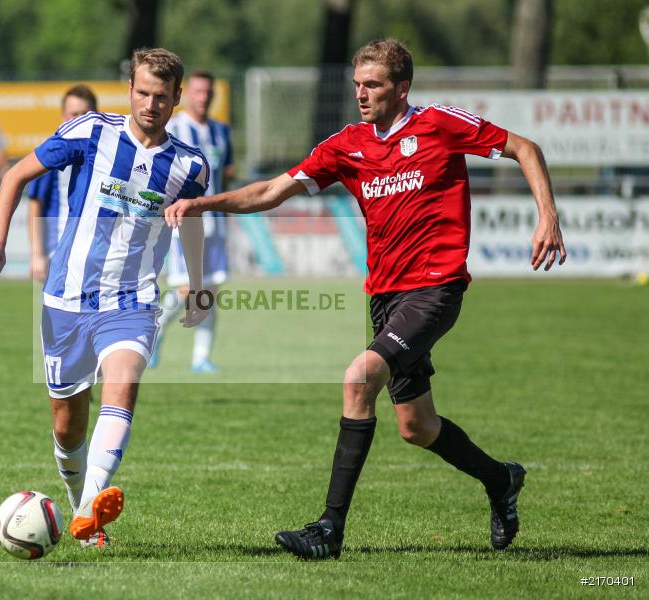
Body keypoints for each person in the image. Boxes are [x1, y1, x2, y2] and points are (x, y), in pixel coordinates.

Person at [165, 39, 567, 559]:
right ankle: (500, 479)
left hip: (435, 288)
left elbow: (524, 149)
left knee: (358, 379)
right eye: (357, 84)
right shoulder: (348, 144)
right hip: (384, 295)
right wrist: (204, 204)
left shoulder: (439, 124)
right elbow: (271, 191)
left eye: (373, 84)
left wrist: (547, 216)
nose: (361, 93)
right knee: (416, 426)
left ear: (402, 88)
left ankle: (329, 530)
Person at [0, 48, 210, 548]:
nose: (150, 104)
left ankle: (86, 512)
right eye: (143, 92)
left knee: (122, 384)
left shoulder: (190, 166)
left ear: (176, 101)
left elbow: (192, 221)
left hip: (133, 299)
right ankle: (80, 494)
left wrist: (196, 281)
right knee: (67, 425)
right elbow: (15, 175)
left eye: (162, 97)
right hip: (66, 300)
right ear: (130, 90)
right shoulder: (89, 132)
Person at [151, 70, 234, 372]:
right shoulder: (172, 129)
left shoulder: (222, 132)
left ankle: (201, 358)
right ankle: (155, 337)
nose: (203, 98)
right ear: (187, 94)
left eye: (208, 93)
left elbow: (227, 173)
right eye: (198, 92)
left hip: (216, 224)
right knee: (186, 291)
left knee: (210, 293)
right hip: (183, 225)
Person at [27, 85, 98, 282]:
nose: (80, 120)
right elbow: (35, 204)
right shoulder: (53, 153)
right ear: (63, 117)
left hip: (98, 254)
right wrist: (37, 254)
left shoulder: (109, 153)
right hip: (59, 250)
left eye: (86, 114)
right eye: (74, 114)